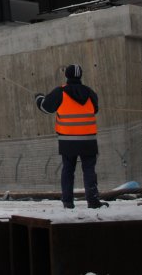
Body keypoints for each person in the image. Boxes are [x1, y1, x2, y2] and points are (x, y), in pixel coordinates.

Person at [35, 64, 107, 209]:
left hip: (67, 140)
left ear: (66, 76)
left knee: (68, 170)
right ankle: (93, 201)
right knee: (89, 171)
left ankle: (68, 202)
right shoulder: (90, 92)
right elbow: (96, 109)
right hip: (88, 140)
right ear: (80, 76)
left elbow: (46, 108)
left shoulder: (60, 92)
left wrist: (39, 98)